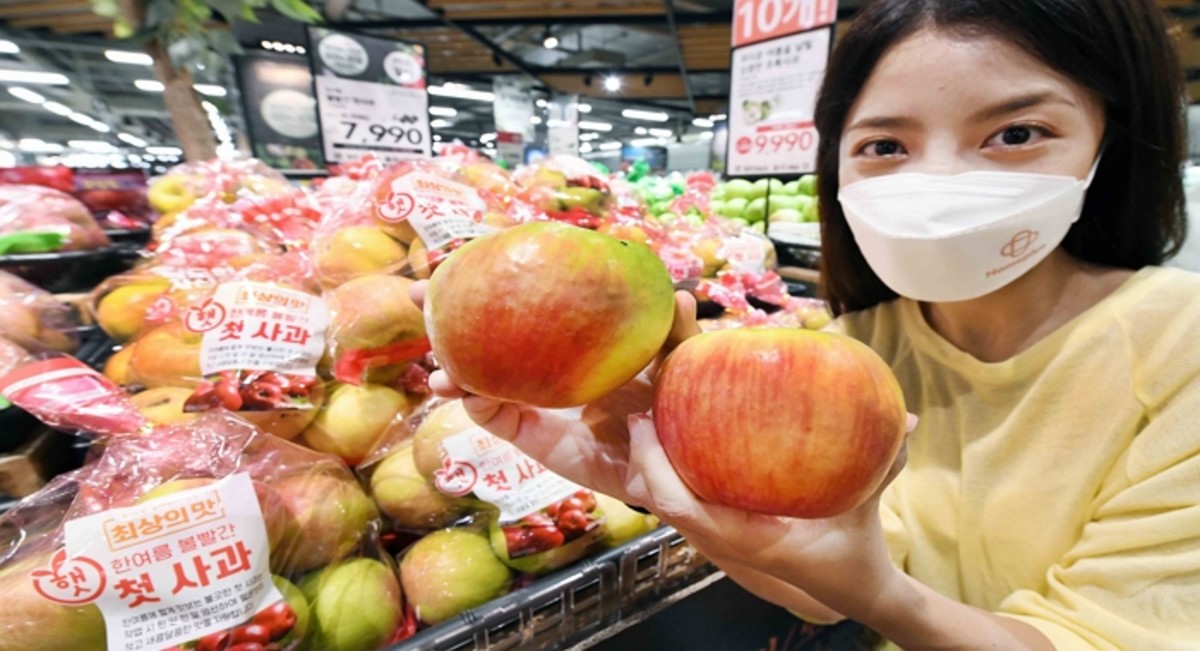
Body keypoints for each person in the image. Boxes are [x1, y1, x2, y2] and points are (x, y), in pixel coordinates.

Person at [411, 0, 1200, 648]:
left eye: (1016, 133)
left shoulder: (1180, 347)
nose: (938, 180)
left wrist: (885, 598)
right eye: (884, 144)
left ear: (1112, 141)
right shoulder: (862, 347)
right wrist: (691, 505)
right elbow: (823, 586)